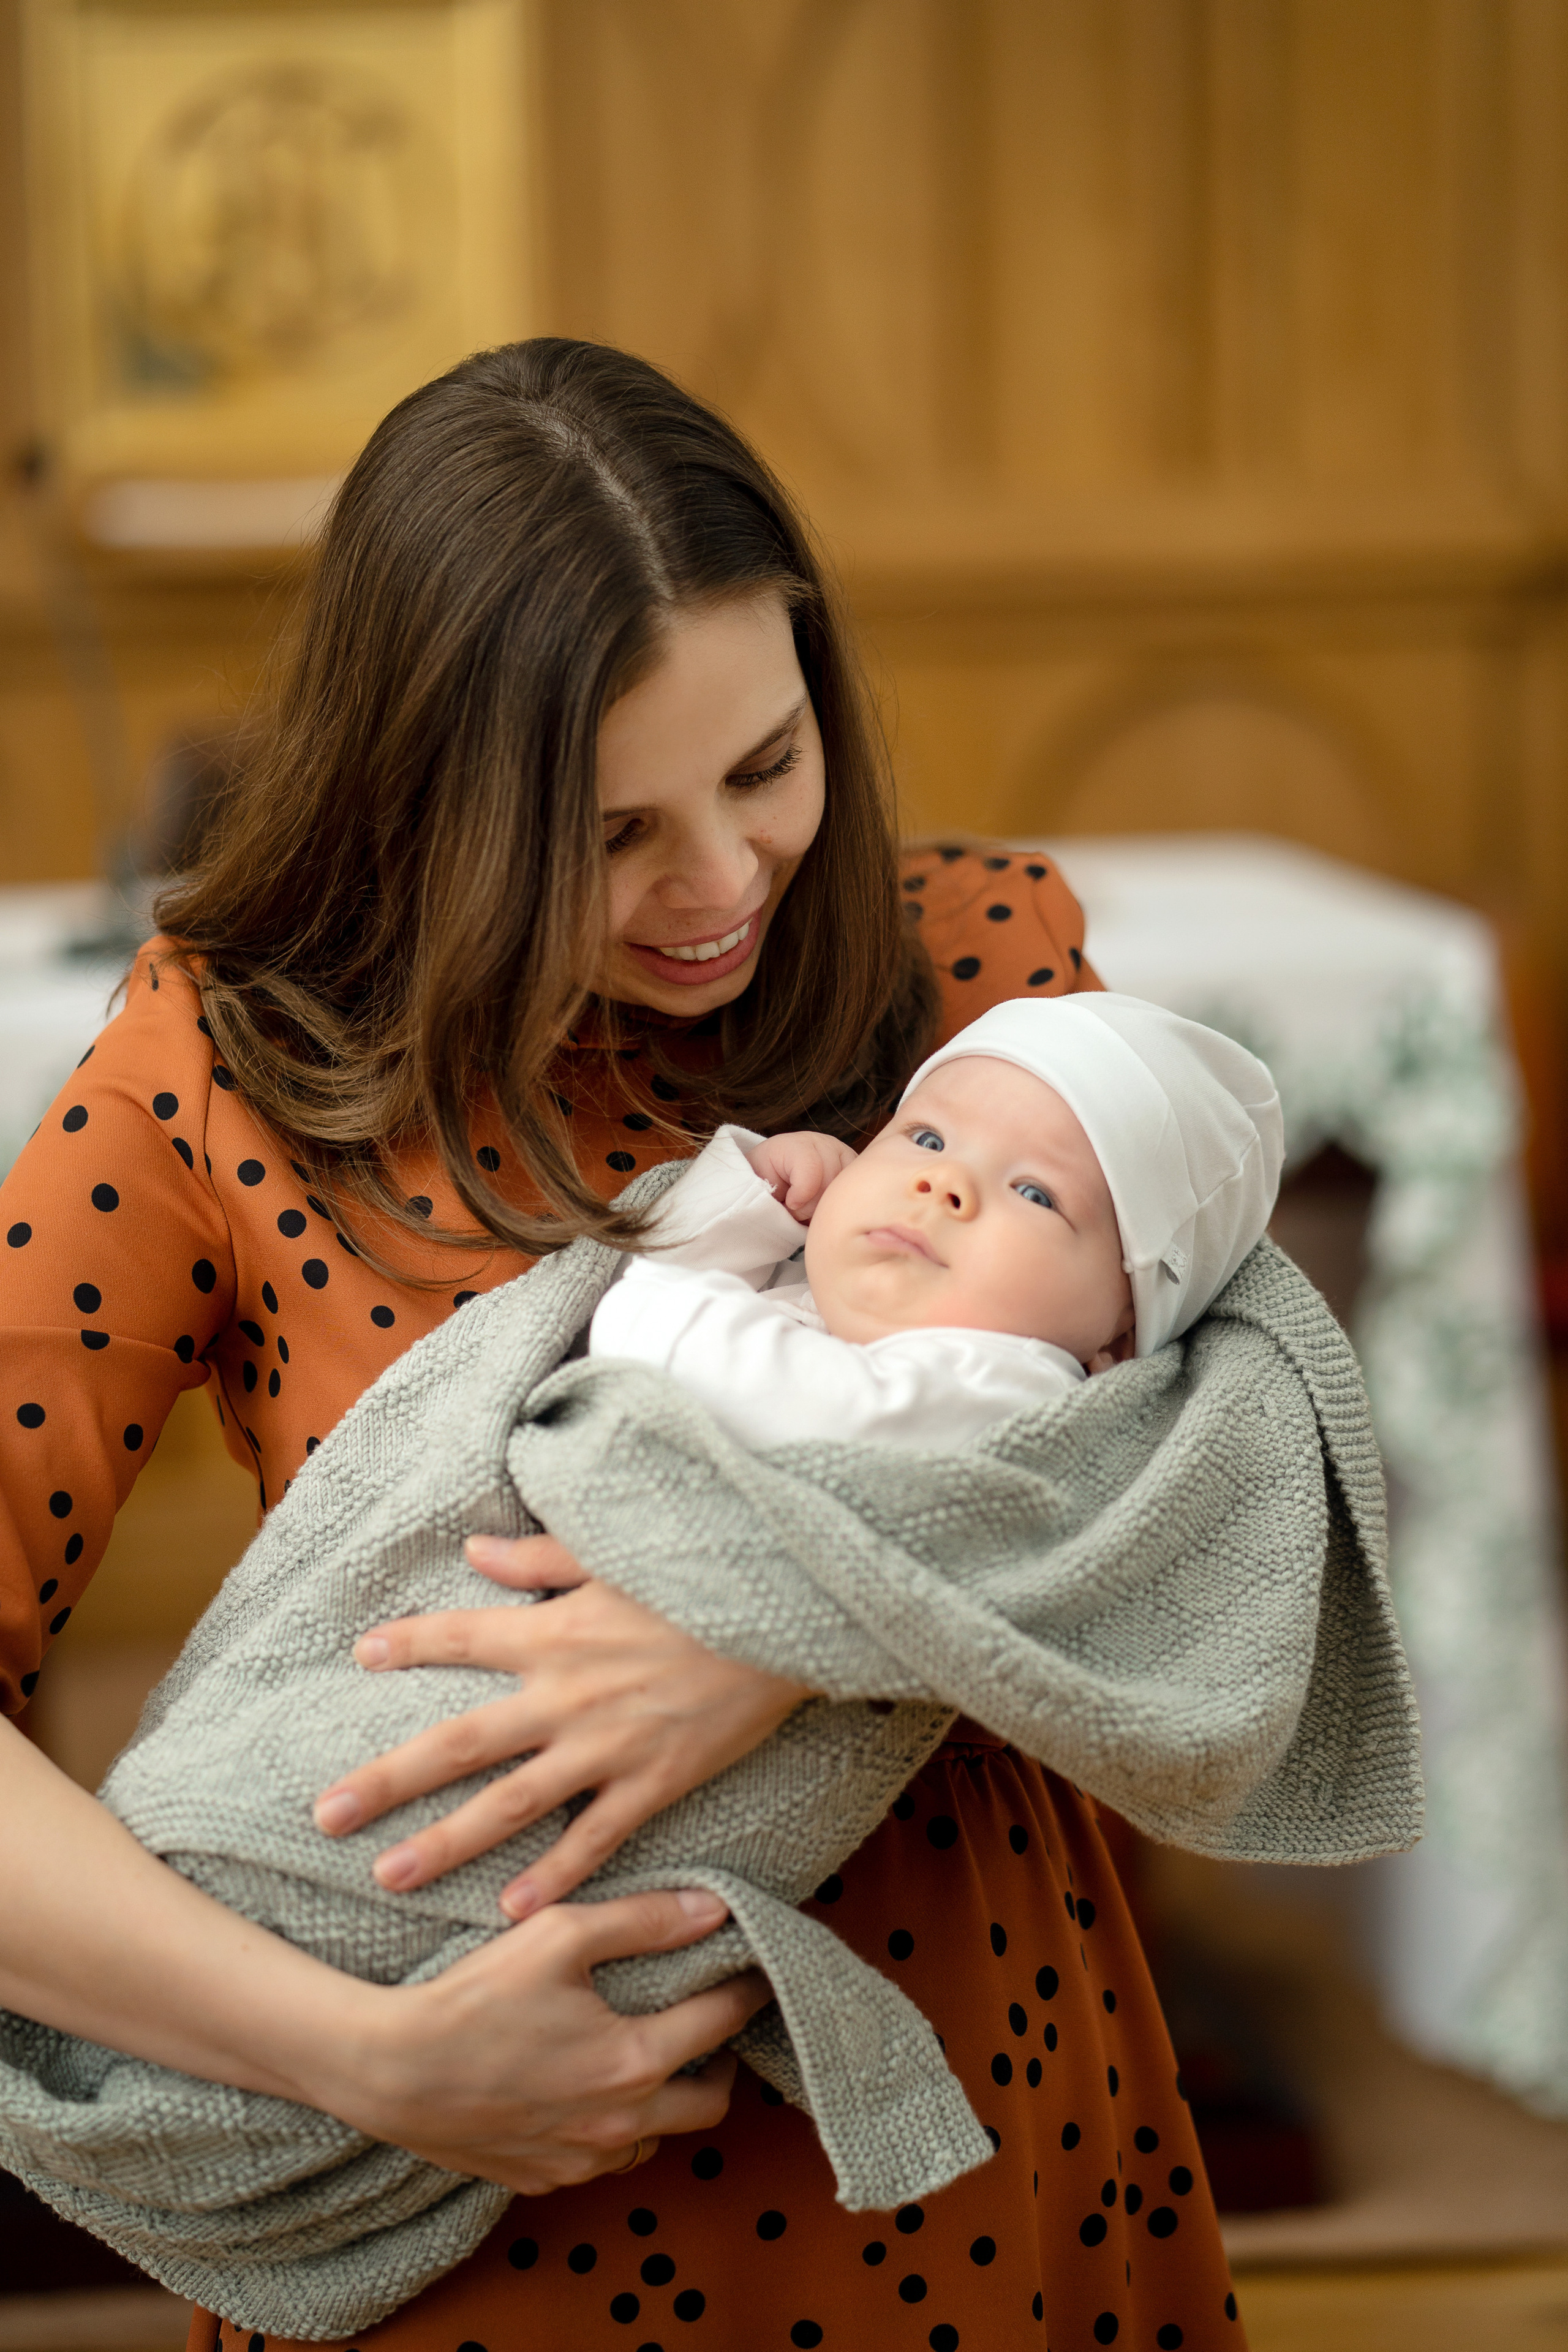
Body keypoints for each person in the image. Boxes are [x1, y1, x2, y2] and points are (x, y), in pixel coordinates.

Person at [0, 339, 1248, 2350]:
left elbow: (1248, 1462)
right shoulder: (215, 1065)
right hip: (484, 2235)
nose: (725, 885)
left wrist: (772, 1620)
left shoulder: (987, 987)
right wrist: (359, 2059)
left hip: (981, 2168)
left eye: (766, 768)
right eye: (609, 833)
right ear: (418, 804)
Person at [589, 992, 1284, 1451]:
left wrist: (652, 1314)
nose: (944, 1182)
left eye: (1034, 1192)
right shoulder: (802, 1290)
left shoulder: (1010, 1389)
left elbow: (818, 1412)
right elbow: (645, 1260)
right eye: (927, 1139)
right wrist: (757, 1205)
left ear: (1118, 1337)